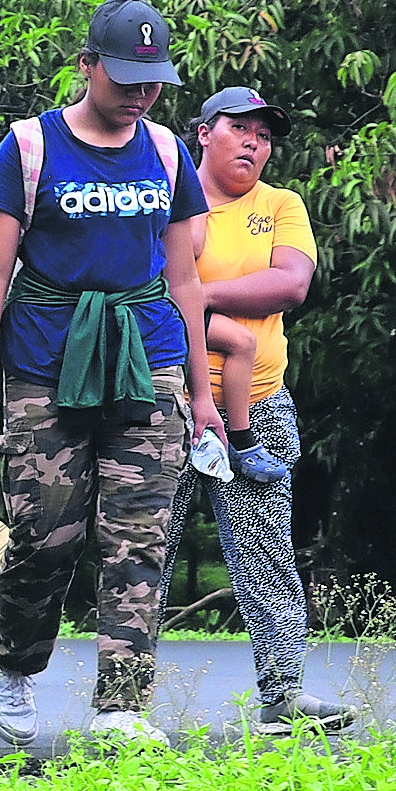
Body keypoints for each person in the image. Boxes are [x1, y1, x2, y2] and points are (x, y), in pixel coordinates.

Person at [0, 0, 225, 746]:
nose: (139, 93)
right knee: (45, 533)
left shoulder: (170, 152)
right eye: (124, 78)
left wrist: (202, 395)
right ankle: (9, 654)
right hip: (46, 360)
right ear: (86, 67)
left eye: (152, 80)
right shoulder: (29, 147)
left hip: (149, 360)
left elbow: (185, 279)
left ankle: (121, 706)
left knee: (137, 537)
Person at [160, 85, 354, 734]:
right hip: (165, 398)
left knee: (267, 552)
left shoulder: (281, 205)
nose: (252, 141)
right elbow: (146, 290)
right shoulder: (167, 198)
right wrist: (189, 300)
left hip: (258, 403)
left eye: (264, 134)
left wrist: (197, 293)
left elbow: (290, 283)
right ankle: (122, 700)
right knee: (140, 552)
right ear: (202, 133)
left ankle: (283, 694)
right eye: (238, 127)